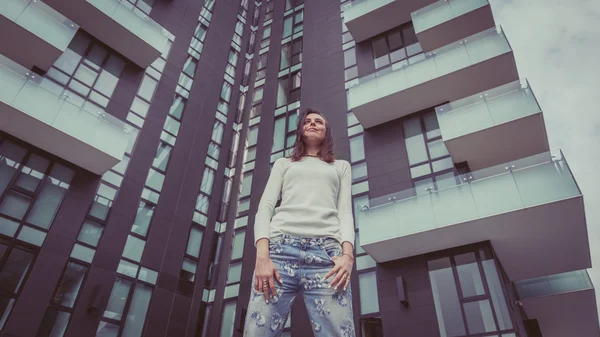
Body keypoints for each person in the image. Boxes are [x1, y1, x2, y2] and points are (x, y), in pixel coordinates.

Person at [243, 108, 356, 337]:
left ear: (326, 131)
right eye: (308, 121)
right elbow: (265, 208)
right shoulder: (284, 164)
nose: (313, 123)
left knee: (338, 333)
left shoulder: (341, 167)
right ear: (301, 130)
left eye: (318, 121)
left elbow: (345, 213)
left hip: (327, 257)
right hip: (280, 253)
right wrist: (262, 257)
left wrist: (348, 256)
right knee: (258, 332)